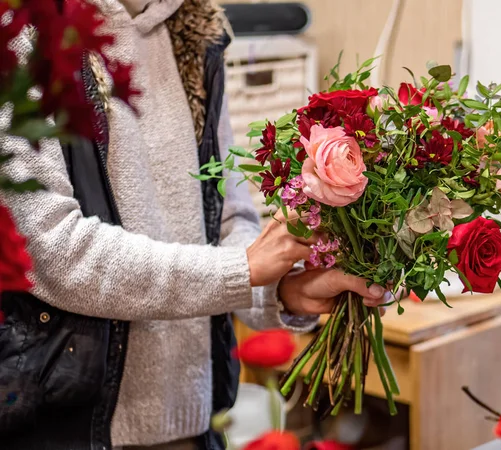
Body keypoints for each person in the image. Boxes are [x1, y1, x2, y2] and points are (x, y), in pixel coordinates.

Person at [0, 1, 388, 449]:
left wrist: (278, 289)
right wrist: (242, 272)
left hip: (194, 421)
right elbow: (54, 251)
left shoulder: (197, 32)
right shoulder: (26, 31)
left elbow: (228, 218)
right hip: (65, 425)